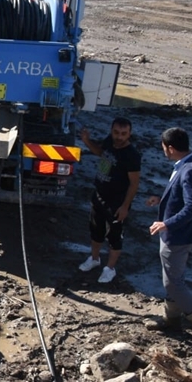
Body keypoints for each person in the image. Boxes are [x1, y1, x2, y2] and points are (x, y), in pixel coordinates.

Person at [145, 127, 192, 345]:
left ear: (171, 148)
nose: (163, 151)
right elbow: (182, 197)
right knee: (170, 280)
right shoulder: (186, 165)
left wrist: (167, 223)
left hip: (178, 236)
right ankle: (171, 319)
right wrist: (162, 200)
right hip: (175, 234)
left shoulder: (190, 170)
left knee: (174, 283)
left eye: (164, 147)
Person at [77, 117, 141, 284]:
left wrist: (125, 206)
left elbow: (134, 184)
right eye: (116, 133)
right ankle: (94, 258)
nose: (119, 137)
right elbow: (100, 152)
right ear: (111, 131)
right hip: (99, 195)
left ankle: (110, 268)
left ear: (129, 134)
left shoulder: (132, 156)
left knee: (114, 236)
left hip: (117, 201)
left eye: (123, 134)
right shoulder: (109, 142)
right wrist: (86, 141)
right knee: (96, 230)